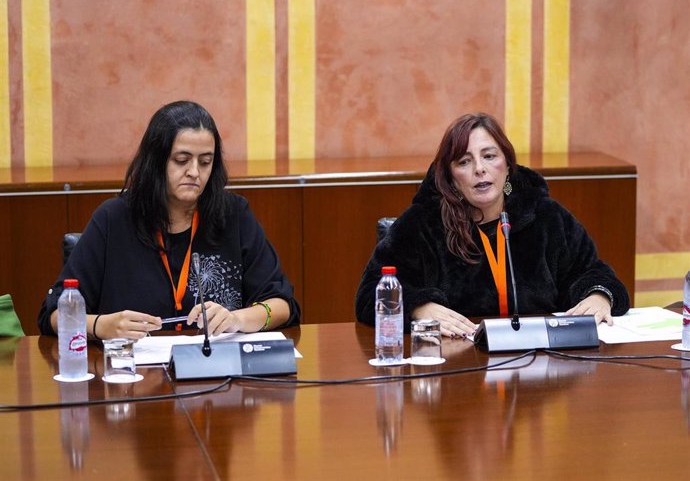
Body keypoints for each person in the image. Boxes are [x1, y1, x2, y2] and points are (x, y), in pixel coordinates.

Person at [38, 101, 300, 340]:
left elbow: (282, 304)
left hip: (216, 380)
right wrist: (100, 325)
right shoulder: (113, 219)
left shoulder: (233, 215)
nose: (194, 172)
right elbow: (52, 314)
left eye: (205, 162)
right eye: (182, 160)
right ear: (156, 162)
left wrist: (237, 318)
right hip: (133, 381)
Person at [355, 112, 629, 338]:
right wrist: (418, 307)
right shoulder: (423, 224)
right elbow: (369, 296)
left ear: (508, 165)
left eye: (489, 156)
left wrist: (599, 296)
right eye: (464, 161)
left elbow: (593, 272)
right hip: (458, 367)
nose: (479, 169)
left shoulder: (546, 216)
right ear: (451, 177)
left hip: (539, 369)